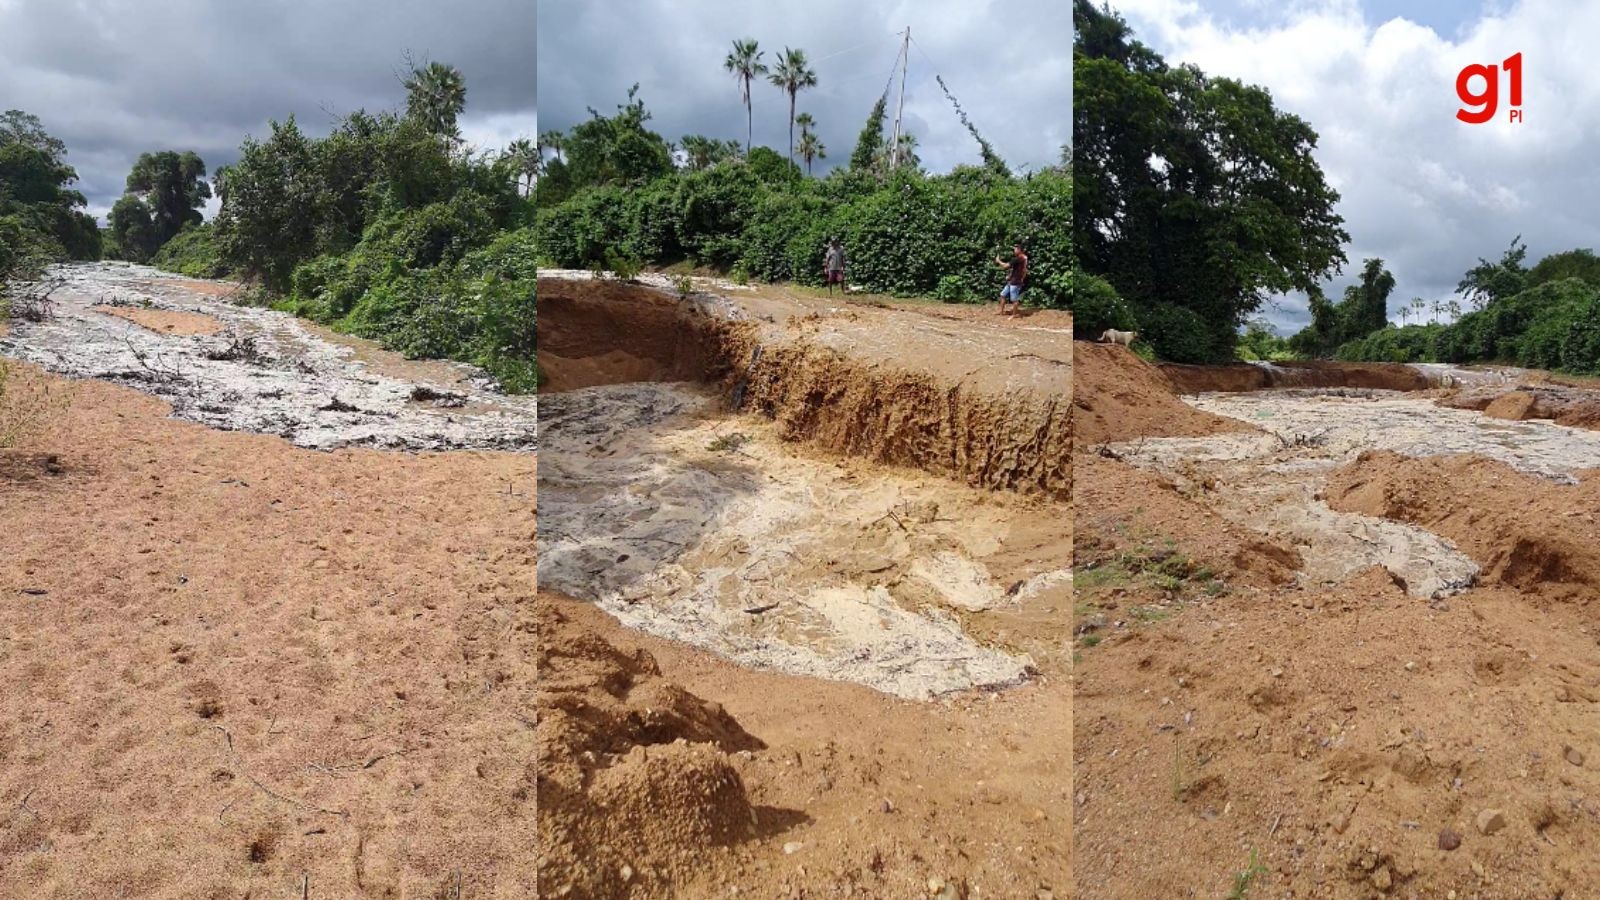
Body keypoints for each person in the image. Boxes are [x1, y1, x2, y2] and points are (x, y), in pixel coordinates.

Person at [995, 243, 1029, 315]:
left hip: (1016, 281)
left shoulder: (1019, 258)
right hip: (1012, 280)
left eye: (1015, 249)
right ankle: (1001, 312)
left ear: (1019, 250)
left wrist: (998, 261)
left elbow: (1005, 266)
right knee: (1002, 295)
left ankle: (1014, 315)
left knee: (1014, 299)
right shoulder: (1024, 257)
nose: (1014, 250)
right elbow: (1016, 269)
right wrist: (1010, 276)